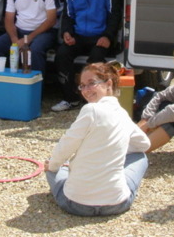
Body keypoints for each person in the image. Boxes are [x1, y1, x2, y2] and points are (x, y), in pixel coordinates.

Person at [45, 63, 150, 216]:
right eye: (82, 86)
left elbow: (66, 145)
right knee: (140, 157)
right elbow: (143, 145)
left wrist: (53, 166)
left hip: (75, 204)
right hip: (116, 204)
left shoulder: (90, 110)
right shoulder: (122, 113)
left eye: (91, 83)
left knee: (51, 165)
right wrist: (115, 149)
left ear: (108, 84)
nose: (86, 90)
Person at [52, 0, 121, 112]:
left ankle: (95, 100)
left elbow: (114, 13)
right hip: (79, 36)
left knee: (96, 60)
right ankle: (70, 99)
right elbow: (68, 15)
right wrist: (66, 33)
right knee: (62, 54)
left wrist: (108, 36)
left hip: (100, 36)